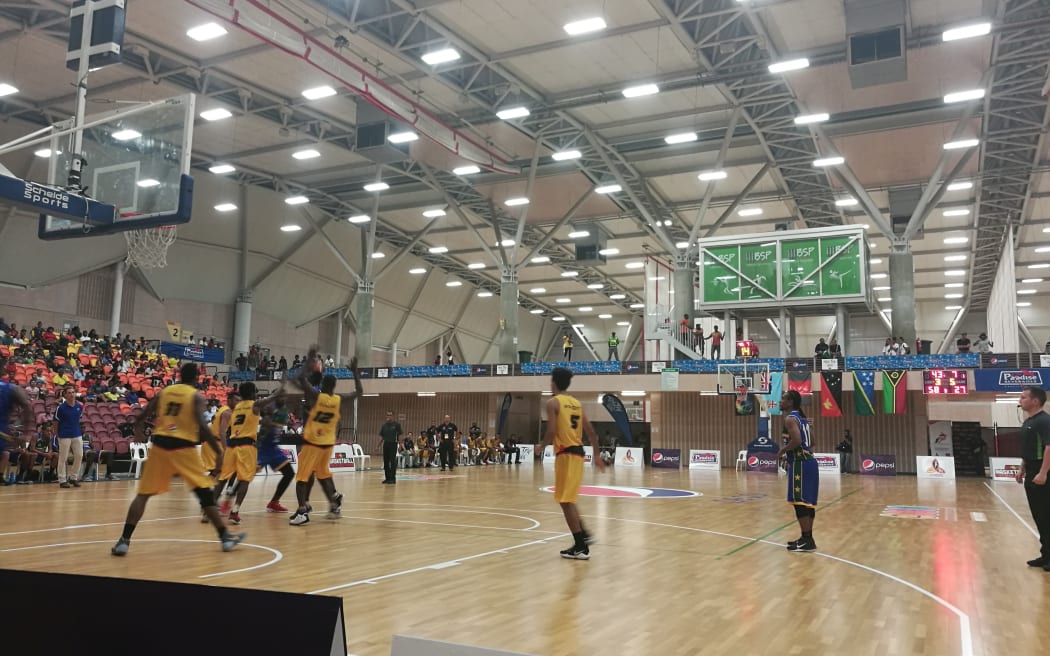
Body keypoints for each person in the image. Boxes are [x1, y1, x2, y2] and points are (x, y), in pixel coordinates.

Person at [111, 363, 245, 556]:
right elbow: (202, 427)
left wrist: (139, 431)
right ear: (196, 378)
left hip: (160, 445)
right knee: (204, 493)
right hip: (183, 447)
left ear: (180, 375)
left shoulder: (165, 392)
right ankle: (225, 538)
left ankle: (124, 541)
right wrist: (218, 450)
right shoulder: (196, 396)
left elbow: (142, 414)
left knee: (143, 495)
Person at [288, 349, 363, 526]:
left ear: (322, 384)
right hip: (328, 445)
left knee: (301, 478)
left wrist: (308, 362)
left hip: (313, 443)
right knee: (323, 475)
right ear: (334, 386)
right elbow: (359, 391)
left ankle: (302, 512)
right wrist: (354, 372)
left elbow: (300, 380)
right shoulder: (338, 398)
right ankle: (335, 501)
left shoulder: (316, 396)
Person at [536, 367, 606, 560]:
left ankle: (581, 545)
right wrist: (597, 456)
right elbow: (592, 433)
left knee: (565, 502)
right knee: (568, 500)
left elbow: (551, 432)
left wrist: (541, 446)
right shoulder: (576, 403)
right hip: (578, 454)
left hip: (566, 454)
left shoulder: (553, 403)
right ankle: (583, 536)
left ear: (553, 383)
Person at [776, 390, 819, 552]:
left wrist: (782, 451)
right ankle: (806, 538)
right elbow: (812, 441)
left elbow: (797, 440)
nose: (780, 402)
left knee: (799, 502)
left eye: (783, 399)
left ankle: (807, 539)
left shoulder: (790, 419)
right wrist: (792, 454)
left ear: (791, 402)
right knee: (807, 503)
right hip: (809, 462)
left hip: (801, 464)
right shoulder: (802, 419)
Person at [1017, 386, 1050, 569]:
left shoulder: (1044, 421)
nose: (1020, 400)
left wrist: (1043, 472)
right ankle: (1045, 555)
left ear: (1035, 401)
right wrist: (1023, 468)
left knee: (1046, 515)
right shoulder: (1029, 421)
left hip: (1042, 471)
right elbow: (1028, 449)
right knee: (1039, 516)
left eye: (1023, 397)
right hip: (1031, 469)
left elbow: (1049, 447)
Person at [256, 395, 296, 512]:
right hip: (262, 448)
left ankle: (274, 502)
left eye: (284, 396)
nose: (283, 398)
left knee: (289, 474)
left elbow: (284, 421)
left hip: (274, 449)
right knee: (245, 478)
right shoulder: (269, 409)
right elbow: (265, 419)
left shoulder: (283, 411)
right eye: (280, 396)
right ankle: (229, 498)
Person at [0, 367, 35, 484]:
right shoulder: (13, 389)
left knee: (5, 453)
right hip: (2, 430)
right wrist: (26, 433)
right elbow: (27, 408)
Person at [54, 386, 85, 488]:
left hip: (77, 434)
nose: (72, 394)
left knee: (79, 455)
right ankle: (62, 480)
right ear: (65, 395)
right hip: (64, 435)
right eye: (69, 392)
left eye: (73, 392)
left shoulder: (79, 406)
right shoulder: (61, 408)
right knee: (63, 458)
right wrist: (56, 434)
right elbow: (55, 422)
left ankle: (73, 477)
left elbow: (78, 419)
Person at [379, 410, 403, 484]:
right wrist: (378, 445)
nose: (389, 416)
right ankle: (387, 478)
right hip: (386, 444)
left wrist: (400, 445)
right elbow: (382, 437)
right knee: (386, 461)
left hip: (393, 444)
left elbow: (399, 436)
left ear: (393, 416)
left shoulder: (396, 425)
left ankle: (393, 478)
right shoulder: (384, 425)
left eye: (390, 415)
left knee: (392, 461)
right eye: (387, 415)